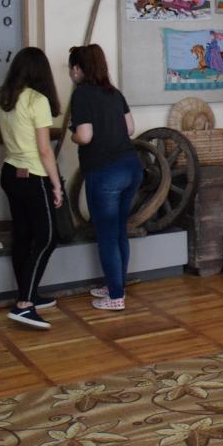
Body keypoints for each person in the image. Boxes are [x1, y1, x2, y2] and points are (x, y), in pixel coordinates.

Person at [68, 44, 142, 312]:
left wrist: (73, 135)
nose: (70, 73)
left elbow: (85, 136)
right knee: (119, 230)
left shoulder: (81, 94)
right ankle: (115, 284)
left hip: (105, 172)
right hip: (131, 167)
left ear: (78, 69)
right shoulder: (114, 92)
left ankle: (116, 296)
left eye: (71, 68)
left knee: (107, 235)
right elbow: (130, 128)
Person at [0, 47, 64, 330]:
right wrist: (57, 185)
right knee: (48, 238)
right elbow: (45, 151)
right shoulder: (37, 100)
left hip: (10, 173)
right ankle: (24, 304)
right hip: (34, 176)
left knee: (23, 237)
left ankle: (28, 294)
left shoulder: (5, 99)